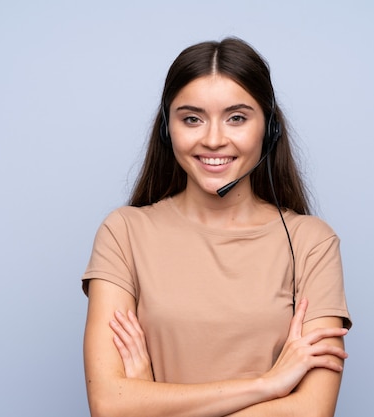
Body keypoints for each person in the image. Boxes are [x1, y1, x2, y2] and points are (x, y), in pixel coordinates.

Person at [81, 37, 352, 417]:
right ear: (167, 129)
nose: (212, 139)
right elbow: (110, 405)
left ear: (269, 129)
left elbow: (311, 411)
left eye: (237, 118)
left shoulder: (312, 243)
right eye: (192, 118)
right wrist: (267, 384)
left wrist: (152, 401)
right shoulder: (124, 233)